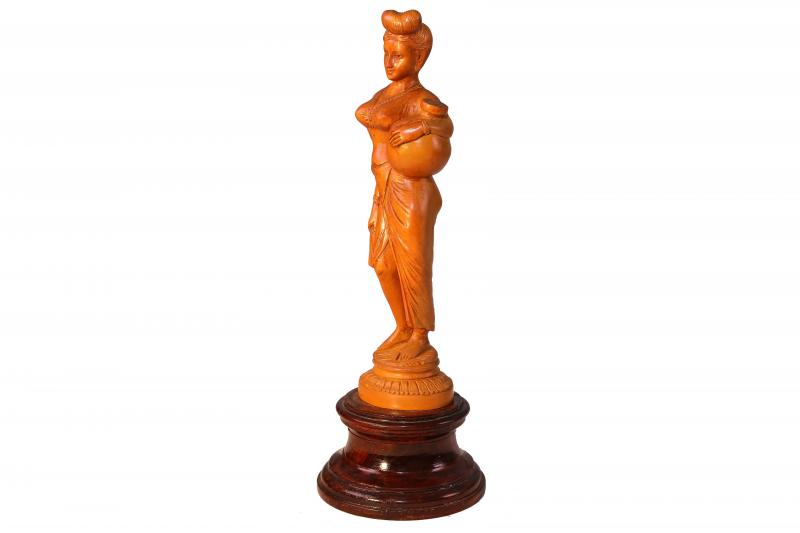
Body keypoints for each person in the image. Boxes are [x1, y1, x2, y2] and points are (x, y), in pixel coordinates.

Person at [355, 10, 454, 360]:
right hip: (383, 187)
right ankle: (402, 326)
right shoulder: (385, 94)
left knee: (414, 263)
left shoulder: (420, 98)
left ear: (419, 58)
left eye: (398, 55)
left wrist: (419, 127)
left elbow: (445, 124)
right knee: (383, 263)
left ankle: (420, 334)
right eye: (386, 53)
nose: (389, 61)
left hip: (410, 190)